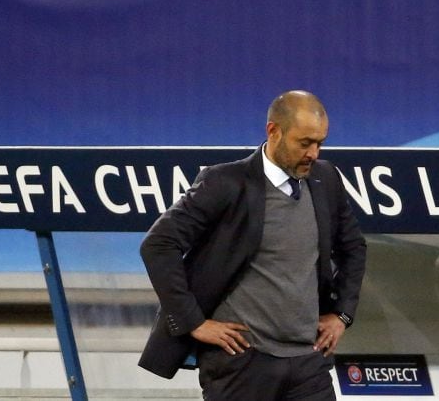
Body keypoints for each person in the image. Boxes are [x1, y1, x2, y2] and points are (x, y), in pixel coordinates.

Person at [138, 90, 367, 400]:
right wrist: (193, 321)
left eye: (319, 143)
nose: (313, 154)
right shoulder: (225, 183)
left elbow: (353, 247)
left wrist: (342, 315)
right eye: (304, 143)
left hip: (308, 362)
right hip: (242, 363)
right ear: (273, 131)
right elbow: (158, 244)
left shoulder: (325, 179)